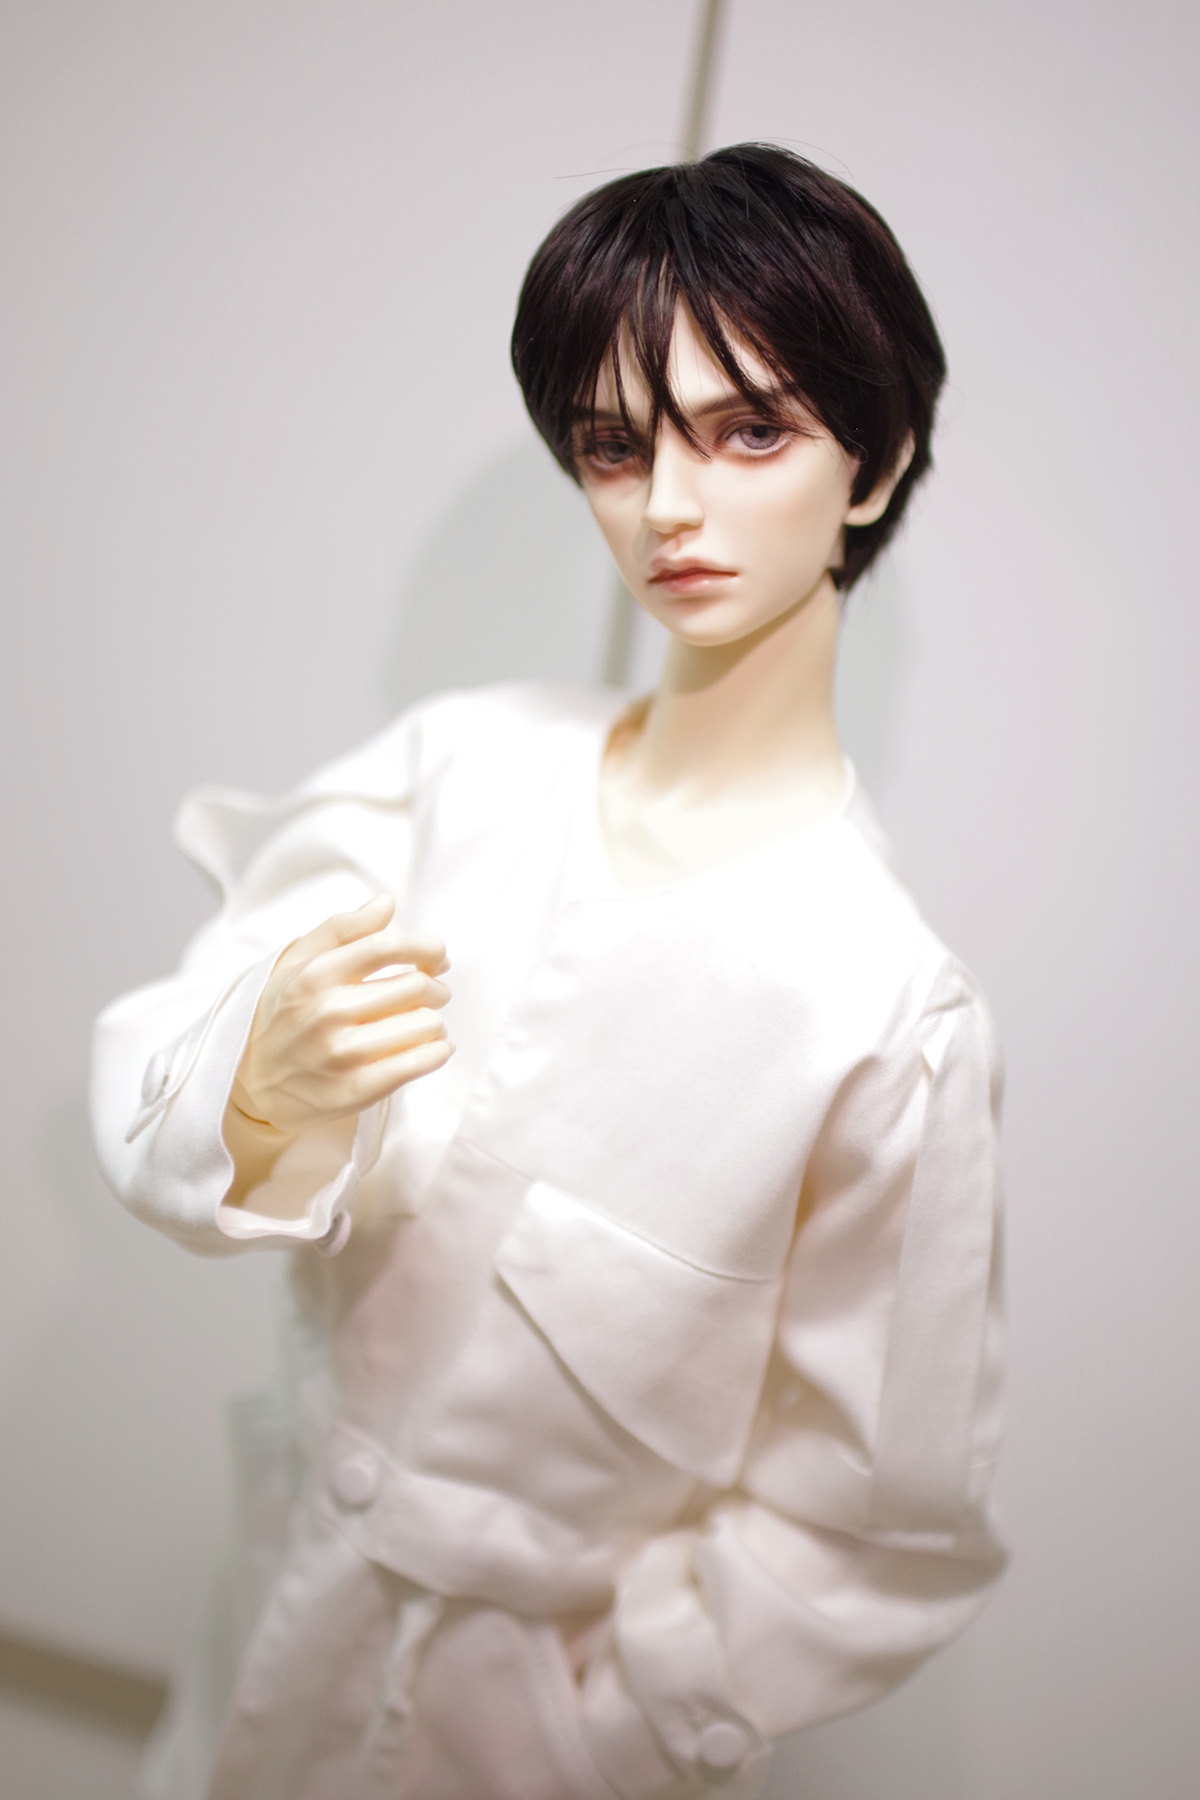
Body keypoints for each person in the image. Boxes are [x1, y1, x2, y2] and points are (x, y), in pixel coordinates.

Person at [92, 144, 1007, 1800]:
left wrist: (615, 1719)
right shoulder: (454, 772)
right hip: (260, 1635)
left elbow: (878, 1520)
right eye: (613, 444)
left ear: (872, 466)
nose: (669, 508)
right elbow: (166, 1098)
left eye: (750, 431)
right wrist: (254, 1091)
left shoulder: (879, 1007)